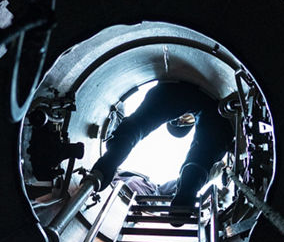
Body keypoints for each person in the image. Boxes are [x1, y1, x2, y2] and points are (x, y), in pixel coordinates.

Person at [90, 79, 234, 214]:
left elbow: (121, 121)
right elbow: (176, 184)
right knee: (206, 149)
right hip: (212, 113)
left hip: (169, 93)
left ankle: (114, 154)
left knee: (138, 125)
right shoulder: (153, 188)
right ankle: (195, 173)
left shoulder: (144, 184)